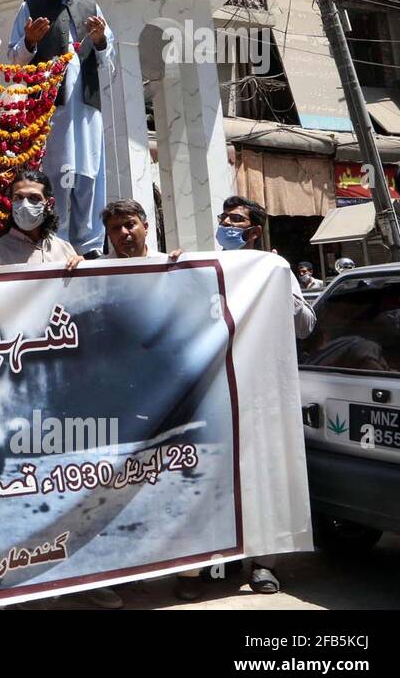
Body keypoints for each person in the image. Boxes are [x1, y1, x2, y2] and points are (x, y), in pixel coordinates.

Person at [176, 195, 314, 601]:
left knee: (264, 473)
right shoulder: (209, 266)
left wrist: (278, 285)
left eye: (235, 219)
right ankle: (219, 559)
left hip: (262, 393)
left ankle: (264, 564)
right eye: (224, 217)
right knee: (218, 478)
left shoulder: (274, 268)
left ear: (254, 230)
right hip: (217, 392)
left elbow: (306, 327)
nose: (226, 224)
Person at [4, 0, 115, 257]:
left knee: (88, 175)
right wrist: (29, 41)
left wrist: (100, 40)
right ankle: (57, 245)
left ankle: (90, 248)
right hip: (51, 113)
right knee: (57, 176)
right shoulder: (31, 6)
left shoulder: (91, 10)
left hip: (87, 110)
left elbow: (110, 62)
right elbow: (14, 61)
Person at [0, 170, 82, 270]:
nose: (25, 205)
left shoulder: (64, 250)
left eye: (34, 198)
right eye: (19, 198)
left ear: (49, 203)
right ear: (11, 202)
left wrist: (83, 267)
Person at [101, 199, 183, 261]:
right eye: (116, 228)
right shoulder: (96, 272)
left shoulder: (167, 264)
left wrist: (184, 263)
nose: (123, 232)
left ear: (145, 227)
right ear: (108, 234)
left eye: (130, 225)